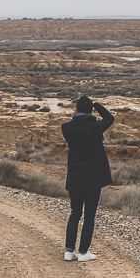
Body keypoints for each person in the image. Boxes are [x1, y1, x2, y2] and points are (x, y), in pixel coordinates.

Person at [60, 95, 115, 261]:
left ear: (76, 109)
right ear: (90, 110)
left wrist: (88, 108)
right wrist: (97, 105)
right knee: (89, 215)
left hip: (75, 178)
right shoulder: (95, 128)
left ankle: (69, 251)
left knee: (75, 213)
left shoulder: (66, 128)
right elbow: (110, 117)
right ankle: (84, 252)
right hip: (93, 179)